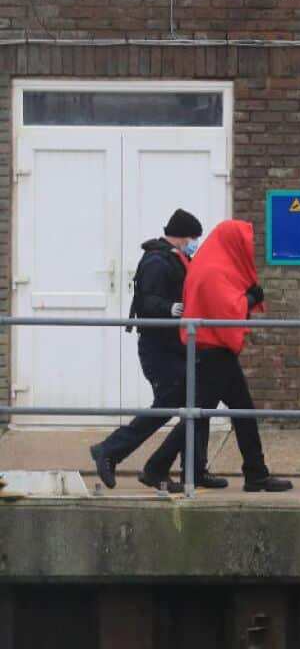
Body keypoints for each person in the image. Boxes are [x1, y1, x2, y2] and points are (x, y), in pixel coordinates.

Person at [146, 220, 293, 492]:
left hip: (212, 350)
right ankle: (156, 465)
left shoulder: (210, 264)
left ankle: (256, 472)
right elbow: (225, 310)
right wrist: (249, 300)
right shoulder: (214, 270)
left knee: (240, 411)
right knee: (203, 414)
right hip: (214, 351)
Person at [89, 209, 228, 491]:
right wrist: (170, 308)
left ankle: (194, 469)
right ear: (182, 236)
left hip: (176, 347)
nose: (195, 243)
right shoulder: (157, 261)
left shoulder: (178, 259)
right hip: (159, 349)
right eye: (194, 238)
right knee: (173, 403)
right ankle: (110, 450)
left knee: (198, 403)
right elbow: (146, 303)